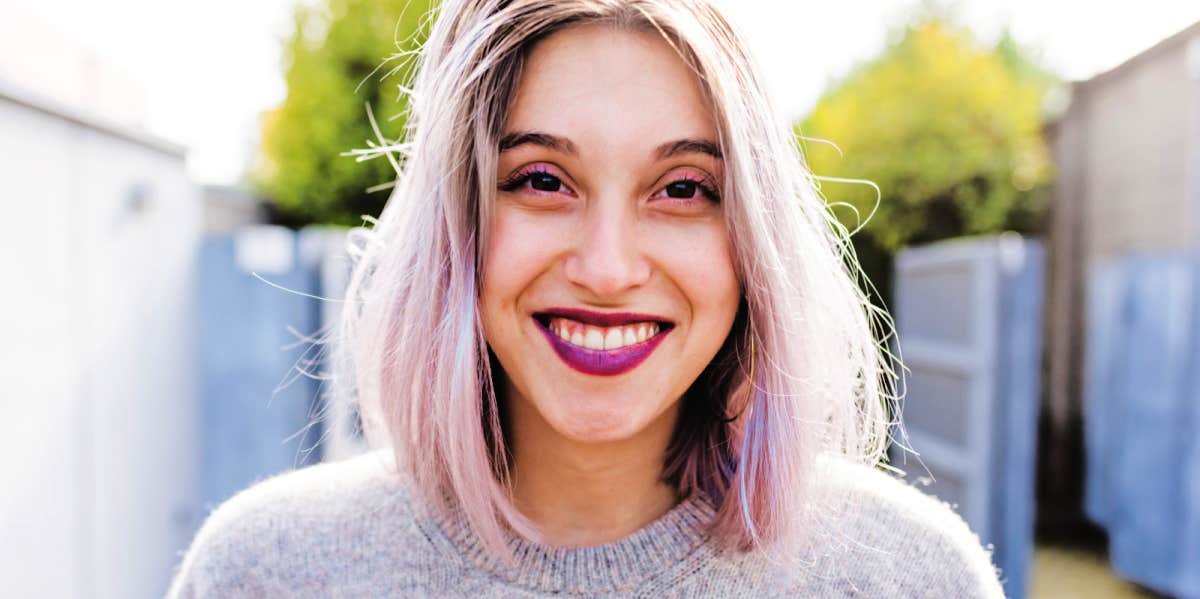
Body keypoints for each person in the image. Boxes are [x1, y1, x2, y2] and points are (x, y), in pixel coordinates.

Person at [167, 0, 1005, 596]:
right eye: (541, 179)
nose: (608, 268)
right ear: (458, 220)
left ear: (753, 237)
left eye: (682, 187)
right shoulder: (266, 569)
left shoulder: (909, 576)